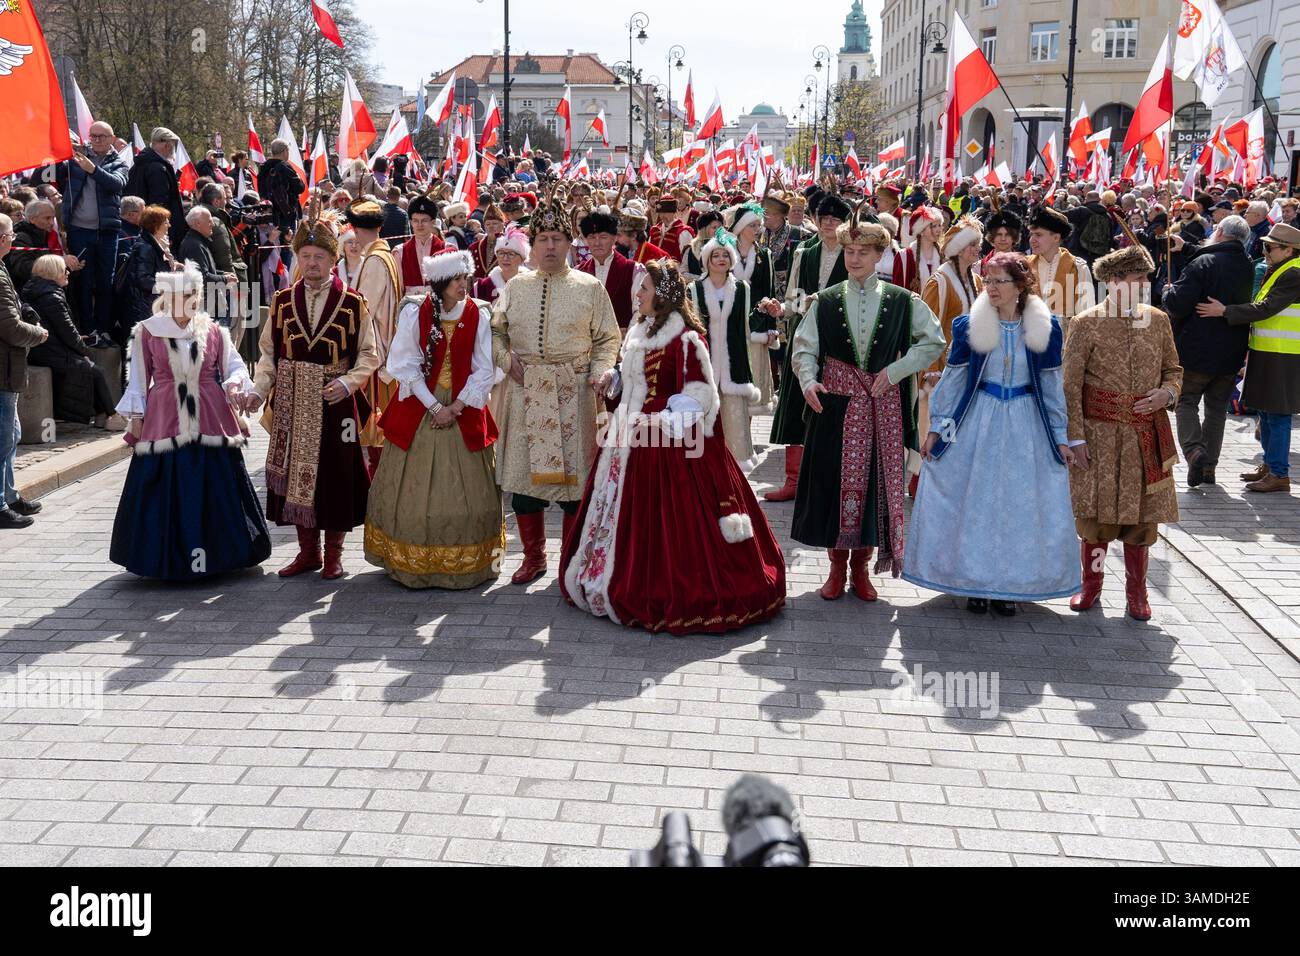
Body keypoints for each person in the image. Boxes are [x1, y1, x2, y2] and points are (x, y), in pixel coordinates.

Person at [559, 260, 785, 633]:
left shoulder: (686, 340)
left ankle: (660, 587)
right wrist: (612, 379)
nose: (638, 294)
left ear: (662, 297)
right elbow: (632, 378)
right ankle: (605, 571)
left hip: (668, 445)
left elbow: (700, 395)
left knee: (673, 525)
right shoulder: (639, 329)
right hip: (626, 441)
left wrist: (659, 420)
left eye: (645, 289)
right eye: (640, 288)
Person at [904, 253, 1079, 615]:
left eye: (1000, 280)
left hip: (1025, 423)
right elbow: (953, 381)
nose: (991, 287)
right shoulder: (971, 325)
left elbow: (1050, 385)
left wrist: (1060, 436)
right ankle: (975, 582)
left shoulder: (1046, 326)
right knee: (977, 502)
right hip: (978, 420)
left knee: (1017, 505)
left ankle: (1008, 586)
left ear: (1020, 285)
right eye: (988, 280)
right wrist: (937, 428)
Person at [791, 216, 945, 601]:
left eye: (863, 252)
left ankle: (861, 568)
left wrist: (896, 371)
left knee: (875, 485)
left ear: (880, 255)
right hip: (836, 407)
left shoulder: (902, 300)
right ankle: (835, 567)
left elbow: (934, 340)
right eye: (849, 251)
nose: (854, 258)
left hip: (882, 407)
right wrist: (809, 380)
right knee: (832, 487)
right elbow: (804, 347)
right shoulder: (824, 300)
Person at [490, 196, 620, 585]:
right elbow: (496, 330)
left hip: (574, 393)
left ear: (569, 243)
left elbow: (607, 339)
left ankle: (569, 559)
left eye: (558, 238)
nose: (550, 246)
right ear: (532, 243)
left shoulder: (590, 286)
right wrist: (505, 359)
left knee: (573, 487)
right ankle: (533, 558)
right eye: (543, 238)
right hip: (526, 389)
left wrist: (599, 373)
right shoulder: (516, 287)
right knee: (525, 485)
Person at [110, 262, 270, 578]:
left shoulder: (213, 330)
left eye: (194, 293)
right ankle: (169, 559)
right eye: (183, 294)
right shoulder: (147, 330)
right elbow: (139, 379)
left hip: (211, 414)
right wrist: (137, 418)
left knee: (217, 482)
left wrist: (236, 383)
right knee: (166, 482)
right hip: (165, 415)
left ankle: (223, 555)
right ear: (168, 298)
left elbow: (234, 366)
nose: (190, 300)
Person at [249, 202, 379, 579]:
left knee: (335, 478)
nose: (311, 263)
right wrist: (259, 391)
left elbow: (370, 355)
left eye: (319, 256)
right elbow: (268, 354)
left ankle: (335, 556)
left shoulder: (353, 304)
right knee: (295, 478)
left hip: (334, 402)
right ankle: (309, 552)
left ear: (332, 259)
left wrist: (348, 382)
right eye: (305, 256)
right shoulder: (282, 302)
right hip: (291, 401)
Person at [364, 250, 504, 588]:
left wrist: (455, 407)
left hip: (462, 405)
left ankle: (467, 561)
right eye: (456, 279)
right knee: (412, 489)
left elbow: (485, 368)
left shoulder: (479, 312)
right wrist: (434, 407)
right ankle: (412, 561)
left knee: (466, 489)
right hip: (421, 406)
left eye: (464, 278)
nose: (463, 285)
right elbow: (404, 365)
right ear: (440, 283)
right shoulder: (416, 311)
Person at [1064, 244, 1182, 621]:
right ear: (1114, 282)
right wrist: (1075, 436)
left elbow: (1173, 370)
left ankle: (1137, 593)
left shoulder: (1159, 319)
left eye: (1146, 277)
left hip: (1146, 435)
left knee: (1141, 520)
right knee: (1097, 519)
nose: (1145, 284)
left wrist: (1168, 393)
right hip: (1100, 436)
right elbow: (1069, 384)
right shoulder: (1086, 322)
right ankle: (1091, 586)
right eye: (1137, 278)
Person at [1196, 222, 1300, 494]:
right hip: (1270, 350)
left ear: (1289, 250)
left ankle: (1278, 472)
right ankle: (1270, 466)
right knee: (1266, 412)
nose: (1264, 251)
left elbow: (1266, 308)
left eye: (1270, 247)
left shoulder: (1293, 273)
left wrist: (1225, 311)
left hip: (1283, 354)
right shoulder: (1281, 269)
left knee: (1276, 414)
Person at [763, 192, 851, 502]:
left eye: (835, 219)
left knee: (833, 409)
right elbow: (794, 299)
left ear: (845, 223)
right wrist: (781, 310)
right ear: (815, 219)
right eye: (823, 218)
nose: (828, 223)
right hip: (803, 338)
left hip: (840, 341)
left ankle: (827, 484)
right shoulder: (804, 251)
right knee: (795, 407)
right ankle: (794, 481)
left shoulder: (854, 254)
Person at [1160, 214, 1255, 487]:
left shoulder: (1203, 263)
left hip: (1197, 349)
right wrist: (1186, 248)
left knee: (1186, 401)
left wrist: (1168, 292)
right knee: (1216, 410)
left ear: (1221, 232)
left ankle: (1194, 451)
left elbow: (1178, 304)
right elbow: (1214, 261)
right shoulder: (1246, 264)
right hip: (1230, 351)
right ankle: (1208, 468)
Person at [20, 255, 120, 428]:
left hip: (43, 349)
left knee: (91, 369)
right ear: (53, 273)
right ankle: (113, 416)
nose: (67, 273)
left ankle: (102, 414)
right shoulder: (52, 297)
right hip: (49, 352)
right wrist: (85, 351)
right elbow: (68, 333)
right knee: (95, 370)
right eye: (63, 269)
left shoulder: (35, 291)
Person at [688, 235, 762, 467]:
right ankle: (705, 467)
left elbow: (746, 327)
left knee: (734, 418)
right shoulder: (695, 289)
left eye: (725, 255)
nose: (720, 259)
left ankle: (736, 467)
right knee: (704, 418)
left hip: (734, 363)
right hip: (704, 363)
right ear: (706, 260)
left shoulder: (742, 288)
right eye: (715, 255)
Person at [0, 214, 48, 529]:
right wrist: (38, 334)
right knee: (4, 436)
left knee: (12, 433)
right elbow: (9, 326)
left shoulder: (2, 267)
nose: (11, 239)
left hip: (7, 366)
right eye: (7, 234)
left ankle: (9, 494)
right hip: (3, 366)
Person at [59, 121, 129, 337]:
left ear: (112, 139)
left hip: (107, 232)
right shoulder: (75, 158)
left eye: (101, 136)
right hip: (80, 230)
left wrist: (93, 170)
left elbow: (117, 184)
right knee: (84, 281)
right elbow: (50, 170)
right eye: (93, 136)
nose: (96, 140)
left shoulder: (119, 162)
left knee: (105, 282)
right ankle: (88, 330)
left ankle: (104, 328)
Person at [347, 198, 402, 472]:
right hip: (384, 350)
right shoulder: (386, 255)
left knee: (374, 426)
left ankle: (378, 485)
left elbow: (363, 307)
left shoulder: (376, 260)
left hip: (376, 353)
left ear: (355, 229)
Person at [729, 202, 778, 412]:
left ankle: (746, 434)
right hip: (730, 324)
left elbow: (769, 290)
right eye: (753, 225)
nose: (757, 230)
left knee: (754, 383)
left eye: (759, 225)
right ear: (740, 228)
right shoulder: (724, 252)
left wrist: (770, 326)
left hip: (756, 326)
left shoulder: (763, 255)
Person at [1027, 205, 1094, 329]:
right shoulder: (1024, 266)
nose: (1032, 240)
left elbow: (1086, 315)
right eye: (1031, 234)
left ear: (1056, 237)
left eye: (1038, 235)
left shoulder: (1078, 267)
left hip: (1065, 342)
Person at [577, 210, 641, 334]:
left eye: (603, 237)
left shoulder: (633, 270)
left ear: (614, 238)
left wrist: (625, 341)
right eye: (592, 237)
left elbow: (640, 311)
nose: (597, 243)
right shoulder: (579, 272)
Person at [120, 205, 175, 338]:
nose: (169, 225)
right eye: (166, 222)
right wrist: (171, 285)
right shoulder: (146, 248)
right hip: (142, 311)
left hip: (148, 307)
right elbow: (143, 280)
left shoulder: (152, 245)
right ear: (155, 225)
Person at [124, 127, 185, 246]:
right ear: (167, 145)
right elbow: (159, 202)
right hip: (154, 226)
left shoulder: (143, 162)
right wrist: (164, 230)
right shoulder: (157, 168)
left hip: (142, 222)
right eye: (172, 144)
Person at [179, 206, 238, 325]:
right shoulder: (194, 245)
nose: (212, 224)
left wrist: (222, 274)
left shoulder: (198, 241)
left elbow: (206, 270)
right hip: (203, 304)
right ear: (197, 223)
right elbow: (202, 277)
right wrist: (225, 279)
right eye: (209, 221)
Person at [391, 193, 443, 296]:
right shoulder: (399, 252)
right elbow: (398, 290)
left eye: (424, 220)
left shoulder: (447, 249)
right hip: (410, 309)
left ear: (433, 222)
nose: (419, 225)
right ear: (410, 222)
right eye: (415, 221)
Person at [473, 225, 530, 304]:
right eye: (501, 253)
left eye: (511, 254)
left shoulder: (530, 284)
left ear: (522, 259)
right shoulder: (481, 287)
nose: (505, 258)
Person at [648, 197, 693, 262]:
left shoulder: (683, 231)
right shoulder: (655, 229)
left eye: (666, 212)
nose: (662, 215)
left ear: (674, 213)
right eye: (660, 213)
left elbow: (687, 257)